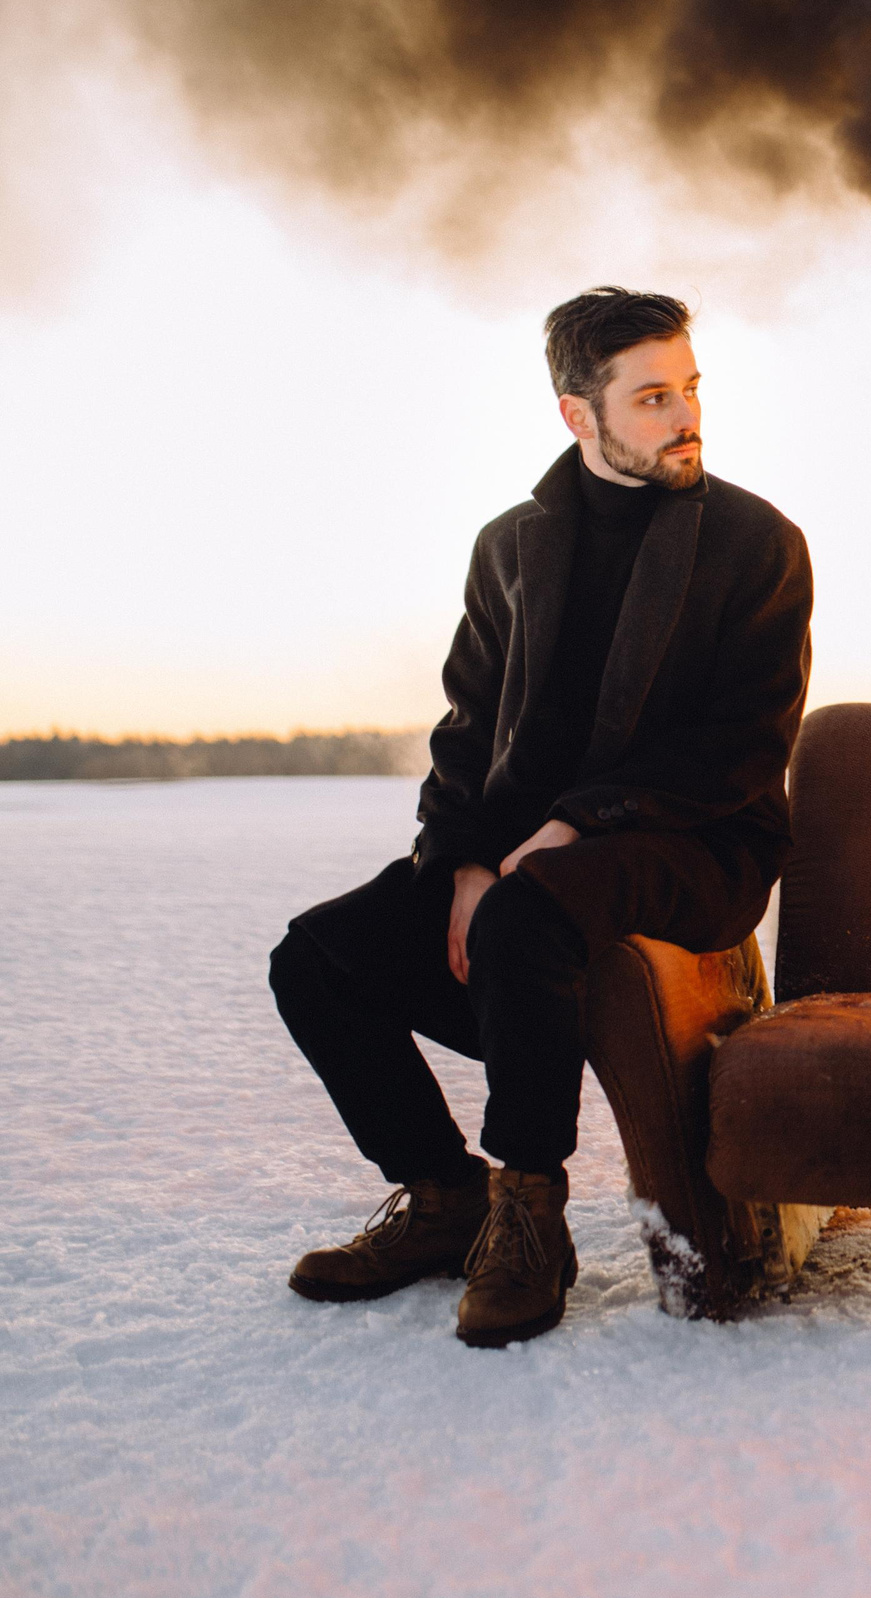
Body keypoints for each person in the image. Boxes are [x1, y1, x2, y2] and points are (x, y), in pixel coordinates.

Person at [269, 287, 813, 1347]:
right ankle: (443, 1199)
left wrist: (577, 824)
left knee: (531, 914)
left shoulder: (756, 542)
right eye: (651, 397)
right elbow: (467, 727)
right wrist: (461, 861)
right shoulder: (512, 546)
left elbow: (746, 745)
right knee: (316, 959)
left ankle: (530, 1210)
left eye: (689, 389)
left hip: (696, 836)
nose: (685, 416)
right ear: (580, 415)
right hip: (520, 850)